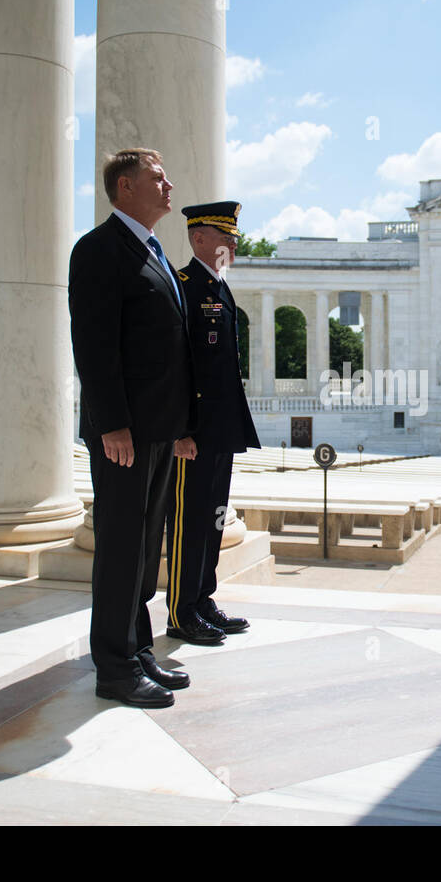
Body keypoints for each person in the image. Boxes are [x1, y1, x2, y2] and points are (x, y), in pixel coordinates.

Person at [68, 148, 199, 708]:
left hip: (157, 430)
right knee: (121, 548)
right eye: (157, 178)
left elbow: (168, 349)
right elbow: (94, 348)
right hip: (124, 434)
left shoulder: (152, 250)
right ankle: (114, 668)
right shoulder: (99, 250)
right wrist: (112, 425)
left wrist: (180, 427)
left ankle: (138, 647)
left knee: (146, 549)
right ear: (125, 187)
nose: (169, 187)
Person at [163, 201, 261, 644]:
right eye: (225, 238)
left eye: (234, 240)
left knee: (213, 519)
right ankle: (181, 613)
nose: (232, 247)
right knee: (189, 521)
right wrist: (181, 429)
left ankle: (203, 600)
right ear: (197, 238)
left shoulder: (219, 287)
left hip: (220, 427)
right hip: (195, 432)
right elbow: (174, 365)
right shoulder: (183, 285)